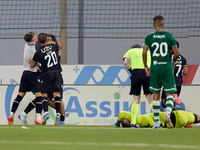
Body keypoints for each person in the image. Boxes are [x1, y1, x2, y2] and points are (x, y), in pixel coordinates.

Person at [142, 15, 179, 128]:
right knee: (170, 94)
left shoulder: (149, 37)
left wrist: (146, 66)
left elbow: (144, 52)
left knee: (155, 95)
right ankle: (167, 113)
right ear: (163, 24)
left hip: (155, 68)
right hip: (166, 68)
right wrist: (172, 61)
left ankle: (157, 122)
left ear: (153, 24)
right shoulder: (169, 36)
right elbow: (176, 54)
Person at [8, 32, 43, 125]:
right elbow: (35, 62)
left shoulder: (26, 45)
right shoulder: (35, 46)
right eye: (35, 36)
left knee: (20, 96)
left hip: (25, 73)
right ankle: (38, 117)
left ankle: (11, 114)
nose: (36, 37)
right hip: (33, 74)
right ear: (32, 39)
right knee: (39, 96)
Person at [29, 33, 62, 125]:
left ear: (39, 42)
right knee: (56, 95)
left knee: (44, 95)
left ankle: (46, 113)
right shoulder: (54, 46)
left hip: (46, 74)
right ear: (47, 40)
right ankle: (58, 115)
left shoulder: (38, 53)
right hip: (57, 73)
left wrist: (31, 62)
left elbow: (32, 65)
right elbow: (59, 46)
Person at [122, 44, 153, 128]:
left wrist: (131, 70)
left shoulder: (131, 51)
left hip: (136, 74)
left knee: (136, 100)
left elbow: (125, 62)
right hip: (147, 73)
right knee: (150, 99)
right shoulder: (148, 51)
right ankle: (157, 121)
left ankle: (133, 122)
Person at [161, 41, 188, 107]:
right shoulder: (183, 59)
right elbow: (186, 72)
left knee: (164, 102)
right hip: (178, 82)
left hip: (169, 82)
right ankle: (172, 112)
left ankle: (169, 114)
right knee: (172, 101)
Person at [114, 110, 200, 128]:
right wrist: (117, 123)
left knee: (195, 119)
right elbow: (121, 113)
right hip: (177, 115)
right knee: (197, 117)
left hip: (177, 124)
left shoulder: (138, 125)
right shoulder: (136, 119)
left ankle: (185, 125)